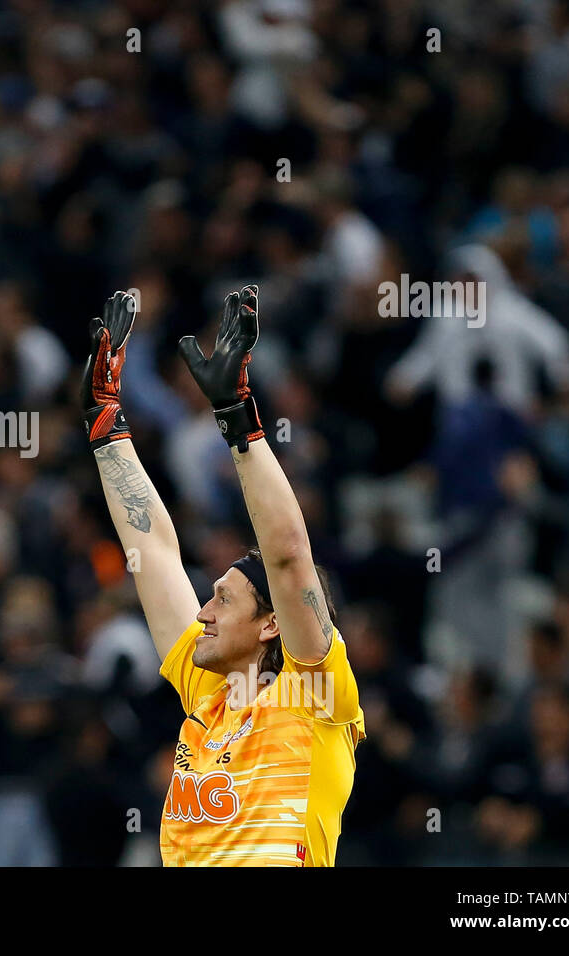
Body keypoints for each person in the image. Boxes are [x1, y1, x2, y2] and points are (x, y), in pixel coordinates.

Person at [83, 287, 366, 866]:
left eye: (222, 601)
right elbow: (153, 552)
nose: (203, 613)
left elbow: (288, 557)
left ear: (270, 626)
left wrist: (238, 420)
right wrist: (105, 426)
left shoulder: (313, 696)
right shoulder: (209, 694)